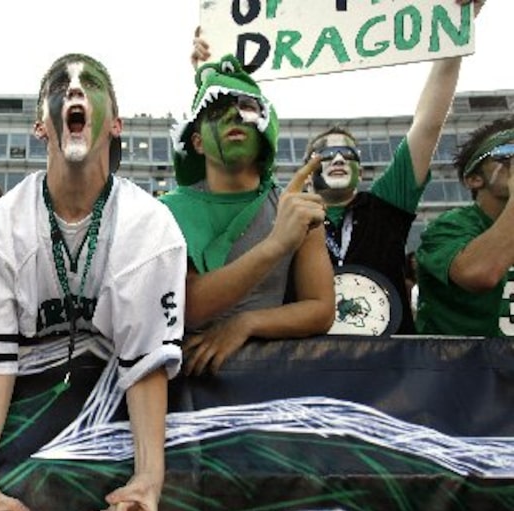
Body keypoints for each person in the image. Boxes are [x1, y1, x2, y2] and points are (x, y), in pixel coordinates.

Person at [0, 53, 187, 511]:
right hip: (28, 431)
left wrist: (149, 477)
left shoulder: (149, 226)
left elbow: (145, 366)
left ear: (115, 122)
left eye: (89, 83)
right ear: (41, 123)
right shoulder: (0, 227)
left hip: (102, 434)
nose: (73, 90)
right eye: (59, 85)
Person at [190, 0, 483, 336]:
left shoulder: (386, 207)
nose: (339, 158)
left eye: (348, 152)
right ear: (306, 169)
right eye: (326, 154)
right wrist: (210, 76)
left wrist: (453, 38)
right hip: (307, 369)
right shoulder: (279, 217)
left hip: (392, 375)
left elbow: (427, 125)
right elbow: (223, 157)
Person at [160, 54, 334, 375]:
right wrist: (276, 245)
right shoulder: (165, 212)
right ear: (197, 142)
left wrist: (248, 323)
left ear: (266, 130)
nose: (232, 116)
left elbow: (321, 310)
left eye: (245, 107)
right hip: (187, 387)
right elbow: (187, 308)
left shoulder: (296, 207)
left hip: (269, 382)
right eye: (216, 111)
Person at [414, 116, 514, 336]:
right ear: (474, 179)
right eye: (507, 154)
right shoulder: (450, 226)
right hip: (463, 367)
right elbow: (480, 273)